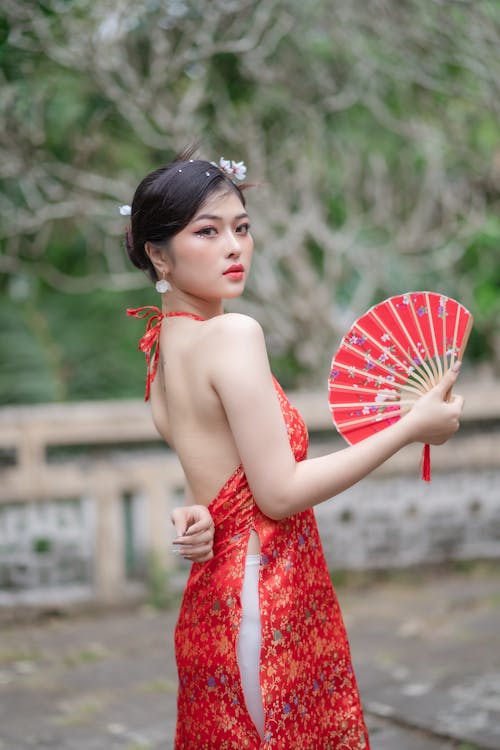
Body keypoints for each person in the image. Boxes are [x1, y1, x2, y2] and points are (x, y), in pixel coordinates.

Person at [123, 148, 464, 749]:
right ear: (157, 253)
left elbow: (215, 477)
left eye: (242, 228)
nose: (234, 247)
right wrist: (411, 428)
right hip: (267, 595)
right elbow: (278, 495)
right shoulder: (234, 334)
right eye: (207, 231)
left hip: (214, 603)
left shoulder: (161, 349)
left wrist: (196, 512)